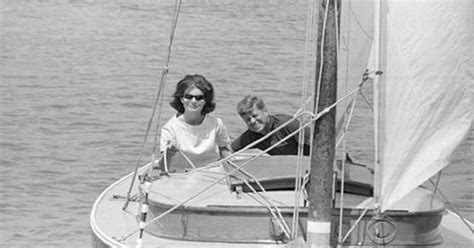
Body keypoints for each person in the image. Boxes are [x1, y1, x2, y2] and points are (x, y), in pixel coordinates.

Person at [156, 74, 231, 170]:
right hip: (181, 175)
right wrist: (169, 154)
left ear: (205, 101)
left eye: (199, 97)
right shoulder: (170, 129)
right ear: (181, 99)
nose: (194, 101)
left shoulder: (216, 124)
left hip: (212, 173)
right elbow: (163, 166)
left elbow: (225, 151)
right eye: (189, 96)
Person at [231, 95, 311, 155]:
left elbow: (316, 142)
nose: (252, 121)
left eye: (255, 116)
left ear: (265, 111)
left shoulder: (287, 124)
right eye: (248, 120)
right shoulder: (251, 135)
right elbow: (229, 150)